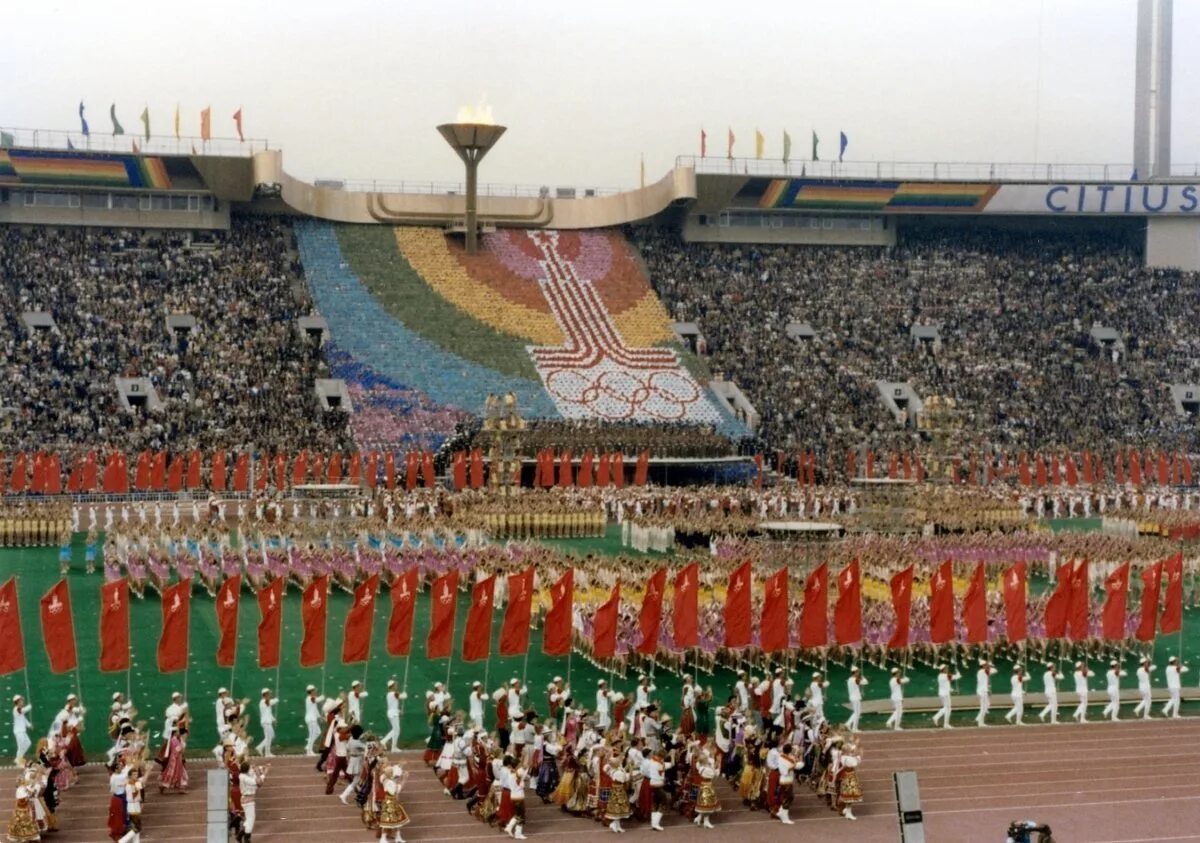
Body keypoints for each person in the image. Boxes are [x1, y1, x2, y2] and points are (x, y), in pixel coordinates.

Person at [377, 763, 411, 843]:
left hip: (391, 802)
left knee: (397, 821)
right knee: (387, 821)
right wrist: (404, 780)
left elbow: (393, 774)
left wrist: (400, 766)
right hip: (390, 803)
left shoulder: (384, 778)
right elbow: (396, 791)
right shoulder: (390, 783)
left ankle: (398, 837)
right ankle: (383, 838)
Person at [237, 761, 268, 843]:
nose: (252, 769)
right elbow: (258, 783)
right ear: (247, 769)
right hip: (248, 801)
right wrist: (259, 773)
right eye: (250, 767)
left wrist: (263, 769)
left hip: (248, 800)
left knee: (249, 819)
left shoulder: (244, 774)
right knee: (251, 820)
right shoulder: (244, 778)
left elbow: (259, 770)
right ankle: (247, 839)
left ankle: (240, 835)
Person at [692, 750, 721, 829]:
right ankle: (706, 821)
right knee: (708, 805)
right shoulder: (706, 770)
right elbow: (715, 775)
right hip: (708, 787)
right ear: (705, 761)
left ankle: (698, 818)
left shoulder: (700, 766)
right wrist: (719, 763)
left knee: (704, 804)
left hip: (703, 786)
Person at [159, 726, 189, 794]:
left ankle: (181, 788)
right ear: (175, 733)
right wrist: (182, 744)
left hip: (178, 758)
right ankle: (163, 785)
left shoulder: (176, 739)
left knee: (181, 773)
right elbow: (177, 750)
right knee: (172, 773)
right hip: (174, 759)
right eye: (177, 732)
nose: (179, 733)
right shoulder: (173, 740)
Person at [931, 665, 960, 729]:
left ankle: (945, 723)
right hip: (945, 694)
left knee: (947, 708)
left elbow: (946, 684)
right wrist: (958, 673)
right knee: (947, 708)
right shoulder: (945, 675)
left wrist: (952, 690)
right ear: (943, 670)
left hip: (942, 694)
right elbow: (956, 677)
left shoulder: (940, 676)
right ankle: (938, 718)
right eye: (946, 668)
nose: (947, 669)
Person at [774, 743, 796, 825]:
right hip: (786, 780)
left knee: (787, 797)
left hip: (786, 780)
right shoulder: (784, 759)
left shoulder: (783, 757)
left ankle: (780, 812)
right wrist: (793, 767)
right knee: (788, 798)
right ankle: (785, 818)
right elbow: (785, 771)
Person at [303, 686, 326, 756]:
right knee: (312, 734)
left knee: (318, 732)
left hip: (313, 719)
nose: (315, 692)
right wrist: (322, 697)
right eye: (314, 691)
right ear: (311, 691)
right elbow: (317, 700)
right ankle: (309, 752)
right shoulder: (310, 698)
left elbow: (315, 710)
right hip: (311, 719)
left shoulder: (312, 699)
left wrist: (320, 717)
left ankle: (308, 746)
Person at [383, 681, 404, 751]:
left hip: (392, 712)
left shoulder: (389, 694)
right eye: (395, 685)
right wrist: (404, 694)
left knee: (396, 730)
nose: (396, 686)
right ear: (392, 686)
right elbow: (402, 696)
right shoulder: (394, 693)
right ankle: (388, 744)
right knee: (396, 730)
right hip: (393, 714)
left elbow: (393, 705)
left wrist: (398, 710)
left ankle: (392, 746)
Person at [844, 667, 867, 732]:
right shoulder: (854, 680)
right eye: (857, 672)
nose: (859, 673)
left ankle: (848, 724)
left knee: (857, 712)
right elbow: (865, 682)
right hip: (855, 698)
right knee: (857, 713)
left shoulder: (850, 679)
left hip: (854, 697)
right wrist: (863, 677)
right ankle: (854, 728)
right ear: (855, 672)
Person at [256, 690, 277, 757]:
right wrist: (276, 699)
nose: (269, 696)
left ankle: (260, 747)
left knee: (271, 736)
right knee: (268, 737)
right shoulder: (262, 702)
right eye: (268, 694)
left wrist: (273, 719)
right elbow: (270, 702)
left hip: (268, 722)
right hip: (266, 722)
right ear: (264, 695)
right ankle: (267, 753)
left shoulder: (267, 703)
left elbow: (269, 713)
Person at [976, 661, 997, 727]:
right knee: (983, 707)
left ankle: (979, 719)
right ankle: (980, 722)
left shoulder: (983, 671)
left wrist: (989, 665)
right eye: (985, 665)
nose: (986, 666)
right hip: (982, 691)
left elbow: (993, 671)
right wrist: (990, 665)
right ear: (982, 666)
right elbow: (995, 670)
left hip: (983, 690)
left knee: (987, 704)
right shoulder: (983, 671)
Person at [12, 696, 32, 766]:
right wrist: (29, 707)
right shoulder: (16, 709)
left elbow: (24, 719)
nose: (22, 702)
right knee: (21, 746)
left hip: (22, 731)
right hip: (18, 732)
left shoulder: (20, 710)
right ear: (17, 702)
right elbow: (22, 710)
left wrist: (29, 725)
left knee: (28, 743)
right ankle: (19, 761)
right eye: (21, 701)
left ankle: (18, 759)